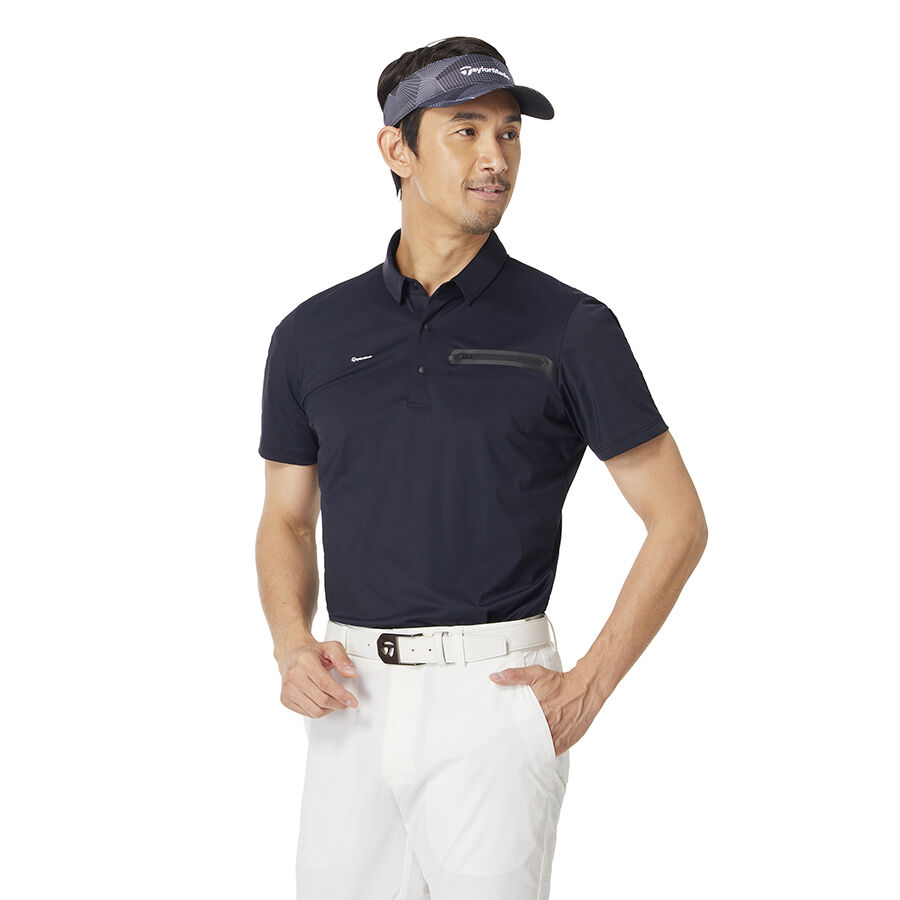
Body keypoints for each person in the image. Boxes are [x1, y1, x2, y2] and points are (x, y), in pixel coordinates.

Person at [255, 35, 707, 900]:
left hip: (495, 697)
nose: (495, 158)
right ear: (397, 150)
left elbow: (678, 521)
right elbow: (285, 518)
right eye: (465, 131)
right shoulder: (310, 334)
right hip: (349, 699)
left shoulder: (570, 326)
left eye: (509, 134)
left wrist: (588, 689)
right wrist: (290, 647)